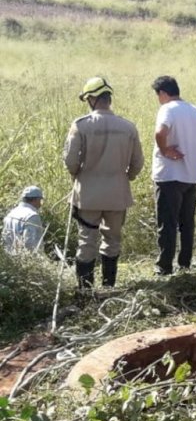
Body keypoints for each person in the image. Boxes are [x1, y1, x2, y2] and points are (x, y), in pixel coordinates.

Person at [63, 77, 144, 289]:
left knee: (87, 241)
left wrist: (78, 174)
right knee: (112, 241)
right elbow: (138, 163)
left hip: (88, 194)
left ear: (91, 99)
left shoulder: (80, 125)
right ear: (108, 98)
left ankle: (85, 290)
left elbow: (71, 161)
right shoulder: (128, 127)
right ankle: (109, 288)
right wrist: (127, 177)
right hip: (118, 195)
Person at [151, 75, 196, 275]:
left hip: (170, 176)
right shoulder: (194, 110)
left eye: (158, 95)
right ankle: (185, 265)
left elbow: (160, 132)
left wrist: (165, 151)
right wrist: (194, 148)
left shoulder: (167, 109)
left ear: (163, 93)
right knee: (187, 224)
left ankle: (164, 267)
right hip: (191, 177)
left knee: (167, 224)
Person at [2, 186, 45, 254]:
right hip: (26, 261)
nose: (40, 204)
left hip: (9, 260)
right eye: (40, 200)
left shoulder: (10, 215)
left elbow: (4, 240)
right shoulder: (32, 216)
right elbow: (30, 244)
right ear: (35, 200)